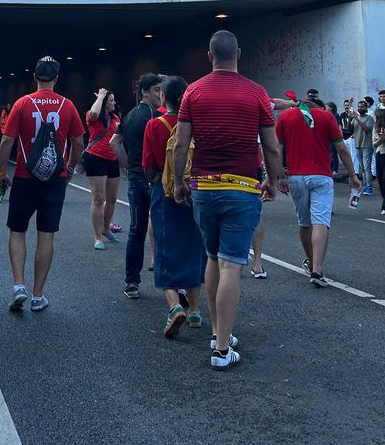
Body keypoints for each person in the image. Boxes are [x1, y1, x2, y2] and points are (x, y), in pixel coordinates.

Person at [171, 31, 283, 369]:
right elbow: (271, 146)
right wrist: (273, 181)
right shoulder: (257, 93)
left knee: (211, 256)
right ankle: (221, 349)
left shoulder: (193, 91)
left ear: (209, 56)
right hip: (244, 186)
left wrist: (178, 181)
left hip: (204, 186)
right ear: (239, 53)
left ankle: (219, 331)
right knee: (232, 263)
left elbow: (180, 144)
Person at [0, 57, 85, 313]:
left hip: (25, 177)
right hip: (54, 179)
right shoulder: (67, 106)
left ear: (34, 77)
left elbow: (6, 142)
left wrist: (2, 171)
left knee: (17, 231)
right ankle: (37, 296)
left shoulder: (23, 103)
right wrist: (68, 168)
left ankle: (18, 286)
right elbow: (78, 143)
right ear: (57, 79)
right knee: (46, 234)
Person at [142, 75, 207, 336]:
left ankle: (173, 306)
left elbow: (147, 165)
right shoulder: (196, 125)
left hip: (164, 190)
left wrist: (155, 181)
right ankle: (194, 310)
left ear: (163, 97)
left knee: (165, 245)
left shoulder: (155, 125)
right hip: (194, 190)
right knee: (194, 246)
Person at [276, 96, 360, 287]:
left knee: (304, 223)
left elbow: (277, 149)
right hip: (322, 175)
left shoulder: (285, 117)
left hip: (296, 176)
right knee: (321, 222)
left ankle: (311, 260)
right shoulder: (327, 117)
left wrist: (278, 175)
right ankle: (318, 269)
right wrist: (352, 175)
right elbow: (341, 148)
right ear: (318, 106)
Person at [110, 73, 164, 298]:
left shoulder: (130, 115)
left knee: (136, 230)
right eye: (156, 91)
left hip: (134, 178)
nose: (160, 95)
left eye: (161, 91)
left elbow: (115, 142)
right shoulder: (155, 116)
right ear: (144, 92)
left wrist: (126, 165)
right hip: (154, 178)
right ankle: (168, 281)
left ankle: (131, 282)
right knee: (163, 229)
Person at [81, 88, 122, 250]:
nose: (113, 103)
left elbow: (119, 141)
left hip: (112, 160)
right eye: (110, 100)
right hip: (95, 158)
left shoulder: (115, 118)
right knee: (98, 199)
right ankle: (97, 236)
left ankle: (106, 229)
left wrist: (123, 162)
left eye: (113, 100)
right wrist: (101, 96)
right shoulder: (93, 116)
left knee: (111, 199)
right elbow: (94, 115)